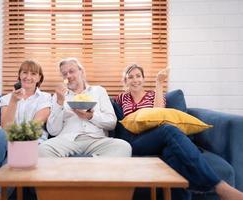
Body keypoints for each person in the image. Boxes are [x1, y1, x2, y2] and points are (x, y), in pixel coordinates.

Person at [115, 64, 243, 200]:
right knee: (169, 129)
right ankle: (219, 187)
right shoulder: (122, 98)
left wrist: (159, 83)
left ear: (144, 79)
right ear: (126, 81)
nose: (135, 80)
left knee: (173, 155)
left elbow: (158, 111)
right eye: (131, 77)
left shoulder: (153, 95)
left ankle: (198, 183)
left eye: (138, 76)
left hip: (159, 138)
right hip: (138, 141)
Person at [0, 60, 51, 200]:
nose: (28, 76)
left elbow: (34, 127)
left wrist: (16, 143)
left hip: (31, 141)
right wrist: (13, 101)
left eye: (33, 73)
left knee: (16, 157)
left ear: (39, 78)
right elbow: (6, 126)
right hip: (5, 140)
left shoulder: (46, 98)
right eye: (24, 72)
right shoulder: (7, 98)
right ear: (19, 75)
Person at [39, 57, 131, 157]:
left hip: (96, 140)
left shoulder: (99, 91)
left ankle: (84, 166)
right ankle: (94, 165)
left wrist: (90, 116)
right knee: (43, 149)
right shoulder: (58, 96)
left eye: (71, 71)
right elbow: (53, 130)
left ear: (81, 72)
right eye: (64, 74)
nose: (68, 76)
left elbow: (111, 123)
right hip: (68, 140)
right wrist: (59, 103)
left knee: (124, 147)